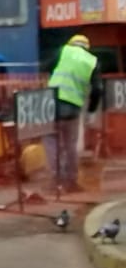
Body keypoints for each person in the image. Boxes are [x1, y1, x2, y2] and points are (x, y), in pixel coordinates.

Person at [45, 34, 103, 193]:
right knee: (70, 145)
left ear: (71, 44)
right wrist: (91, 111)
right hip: (73, 107)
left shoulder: (64, 50)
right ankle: (71, 181)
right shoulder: (92, 61)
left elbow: (46, 67)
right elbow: (98, 89)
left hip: (52, 103)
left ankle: (55, 182)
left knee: (52, 141)